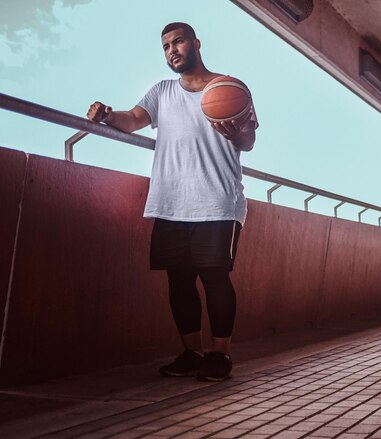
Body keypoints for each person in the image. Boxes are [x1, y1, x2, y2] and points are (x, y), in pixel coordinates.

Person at [87, 22, 258, 381]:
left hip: (217, 201)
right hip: (170, 201)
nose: (172, 50)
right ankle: (192, 351)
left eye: (178, 41)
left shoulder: (230, 88)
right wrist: (106, 114)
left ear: (196, 43)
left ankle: (220, 355)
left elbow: (248, 143)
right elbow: (133, 121)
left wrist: (237, 132)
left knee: (215, 279)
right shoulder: (163, 91)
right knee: (179, 282)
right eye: (165, 46)